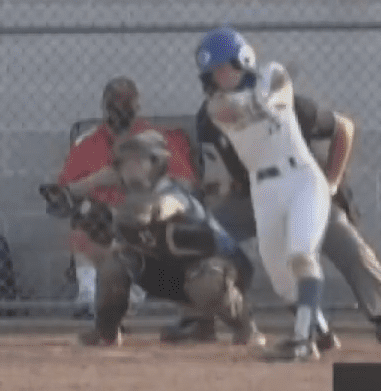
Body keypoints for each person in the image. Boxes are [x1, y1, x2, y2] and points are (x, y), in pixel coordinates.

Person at [189, 87, 381, 346]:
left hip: (304, 189)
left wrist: (332, 183)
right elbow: (217, 178)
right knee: (200, 238)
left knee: (344, 240)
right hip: (253, 197)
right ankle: (198, 319)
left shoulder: (286, 107)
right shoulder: (210, 119)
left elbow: (344, 128)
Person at [42, 130, 263, 350]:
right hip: (172, 271)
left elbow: (150, 211)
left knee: (205, 279)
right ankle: (106, 333)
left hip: (226, 271)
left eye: (136, 162)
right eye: (124, 163)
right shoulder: (133, 184)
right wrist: (71, 192)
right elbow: (106, 177)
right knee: (113, 264)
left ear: (156, 163)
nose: (128, 168)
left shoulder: (172, 194)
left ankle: (245, 328)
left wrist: (105, 216)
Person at [195, 28, 333, 362]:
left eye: (225, 68)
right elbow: (235, 113)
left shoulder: (272, 74)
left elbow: (278, 96)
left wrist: (264, 100)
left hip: (301, 178)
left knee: (301, 255)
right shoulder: (216, 107)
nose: (220, 77)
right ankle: (323, 334)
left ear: (242, 61)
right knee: (281, 281)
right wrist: (256, 103)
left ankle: (303, 342)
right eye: (214, 73)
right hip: (263, 190)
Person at [56, 78, 197, 316]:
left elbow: (187, 185)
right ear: (104, 106)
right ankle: (89, 296)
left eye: (126, 102)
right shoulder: (89, 143)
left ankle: (130, 296)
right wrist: (96, 180)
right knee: (88, 215)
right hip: (103, 219)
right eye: (115, 103)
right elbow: (63, 192)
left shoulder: (156, 139)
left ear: (137, 106)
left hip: (144, 215)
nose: (120, 108)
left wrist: (145, 179)